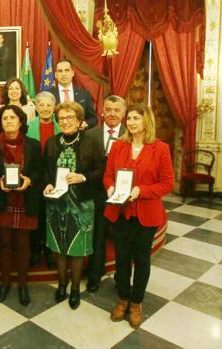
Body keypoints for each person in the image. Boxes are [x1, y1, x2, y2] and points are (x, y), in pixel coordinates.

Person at [105, 104, 173, 328]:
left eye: (136, 118)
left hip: (146, 215)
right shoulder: (118, 146)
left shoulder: (160, 148)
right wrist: (111, 189)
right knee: (122, 259)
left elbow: (167, 184)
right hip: (121, 213)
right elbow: (108, 176)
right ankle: (123, 299)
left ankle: (136, 303)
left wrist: (141, 191)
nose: (131, 122)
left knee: (142, 260)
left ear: (147, 122)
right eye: (130, 118)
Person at [42, 101, 103, 310]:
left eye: (70, 118)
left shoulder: (91, 141)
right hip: (56, 203)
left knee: (77, 249)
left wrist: (83, 177)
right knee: (59, 246)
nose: (65, 122)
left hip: (82, 203)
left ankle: (75, 288)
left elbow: (101, 170)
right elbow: (45, 171)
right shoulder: (51, 142)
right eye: (61, 119)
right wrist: (48, 184)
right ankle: (62, 284)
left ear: (79, 121)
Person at [0, 105, 42, 305]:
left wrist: (30, 180)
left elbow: (40, 171)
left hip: (25, 200)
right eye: (5, 118)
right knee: (5, 244)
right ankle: (5, 283)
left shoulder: (33, 145)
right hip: (3, 201)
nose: (9, 121)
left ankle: (22, 285)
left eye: (13, 117)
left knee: (23, 245)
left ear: (21, 121)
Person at [85, 95, 127, 292]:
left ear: (124, 114)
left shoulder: (131, 134)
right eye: (108, 109)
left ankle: (122, 276)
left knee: (121, 239)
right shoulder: (91, 134)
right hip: (97, 194)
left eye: (116, 110)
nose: (112, 114)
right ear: (102, 112)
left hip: (124, 197)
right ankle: (95, 275)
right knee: (98, 237)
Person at [27, 91, 60, 268]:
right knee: (36, 216)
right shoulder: (28, 126)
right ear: (36, 107)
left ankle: (49, 251)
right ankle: (34, 251)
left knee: (51, 216)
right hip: (34, 180)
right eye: (42, 105)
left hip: (55, 180)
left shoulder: (61, 127)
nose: (45, 108)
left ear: (54, 108)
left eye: (49, 105)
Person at [49, 59, 97, 130]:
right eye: (60, 71)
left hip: (79, 136)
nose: (63, 74)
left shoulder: (84, 94)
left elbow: (93, 119)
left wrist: (85, 124)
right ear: (56, 75)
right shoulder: (49, 95)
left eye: (67, 70)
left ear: (72, 73)